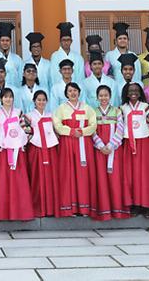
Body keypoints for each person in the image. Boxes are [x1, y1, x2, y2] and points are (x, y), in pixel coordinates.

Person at [53, 82, 97, 217]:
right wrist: (71, 131)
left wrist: (82, 131)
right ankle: (69, 207)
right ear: (66, 93)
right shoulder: (61, 109)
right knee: (68, 173)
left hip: (84, 143)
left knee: (83, 174)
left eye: (75, 90)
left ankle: (84, 207)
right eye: (70, 91)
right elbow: (57, 124)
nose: (73, 93)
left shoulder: (87, 108)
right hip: (68, 143)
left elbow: (93, 124)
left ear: (79, 92)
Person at [0, 88, 34, 221]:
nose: (8, 99)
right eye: (5, 97)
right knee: (3, 181)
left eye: (10, 97)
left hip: (18, 151)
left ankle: (22, 212)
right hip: (3, 152)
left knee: (19, 181)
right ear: (0, 99)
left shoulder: (18, 113)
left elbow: (27, 129)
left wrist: (22, 141)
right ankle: (3, 213)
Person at [91, 85, 129, 221]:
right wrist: (101, 145)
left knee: (115, 178)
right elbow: (92, 130)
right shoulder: (93, 112)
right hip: (99, 150)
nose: (103, 98)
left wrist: (111, 145)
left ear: (110, 96)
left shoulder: (117, 111)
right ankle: (103, 210)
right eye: (101, 95)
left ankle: (117, 209)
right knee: (101, 178)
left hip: (114, 149)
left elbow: (120, 129)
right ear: (97, 97)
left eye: (106, 95)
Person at [24, 90, 60, 218]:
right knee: (36, 177)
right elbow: (25, 133)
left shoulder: (52, 116)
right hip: (35, 150)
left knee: (52, 178)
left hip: (50, 150)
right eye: (38, 100)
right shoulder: (28, 116)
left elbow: (56, 132)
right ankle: (38, 208)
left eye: (43, 100)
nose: (41, 102)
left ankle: (51, 208)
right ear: (34, 101)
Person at [121, 82, 149, 212]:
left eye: (136, 90)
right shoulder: (123, 108)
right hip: (129, 145)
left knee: (145, 174)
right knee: (131, 175)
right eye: (130, 90)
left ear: (140, 92)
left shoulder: (146, 107)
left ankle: (147, 206)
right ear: (126, 93)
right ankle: (134, 204)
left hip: (144, 143)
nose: (133, 92)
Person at [0, 22, 24, 89]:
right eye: (2, 40)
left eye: (7, 40)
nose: (5, 43)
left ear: (11, 42)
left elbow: (21, 79)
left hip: (14, 93)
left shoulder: (17, 59)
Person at [49, 22, 85, 87]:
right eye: (63, 40)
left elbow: (81, 76)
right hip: (60, 89)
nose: (66, 42)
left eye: (68, 40)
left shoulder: (78, 57)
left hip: (75, 91)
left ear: (71, 41)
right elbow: (54, 75)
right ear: (60, 41)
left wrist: (75, 89)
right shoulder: (55, 56)